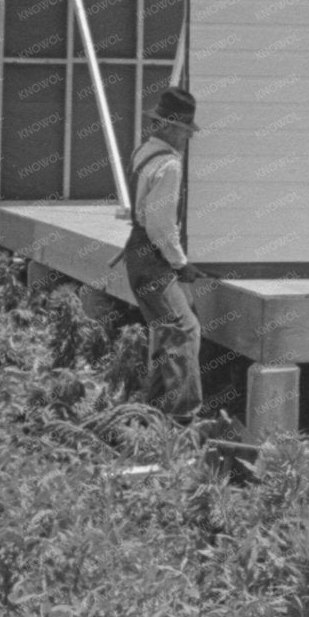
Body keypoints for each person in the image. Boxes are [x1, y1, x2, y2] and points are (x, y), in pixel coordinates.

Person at [120, 86, 205, 420]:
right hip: (153, 259)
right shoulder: (169, 164)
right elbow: (160, 225)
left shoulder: (143, 152)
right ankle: (185, 418)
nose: (188, 138)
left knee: (166, 331)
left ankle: (151, 412)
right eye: (186, 131)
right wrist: (181, 264)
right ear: (170, 126)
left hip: (136, 256)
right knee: (185, 330)